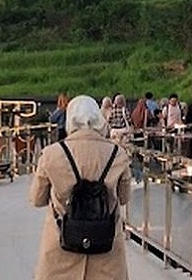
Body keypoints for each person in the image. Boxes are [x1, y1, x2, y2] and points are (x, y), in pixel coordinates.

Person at [30, 94, 131, 279]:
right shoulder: (118, 154)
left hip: (62, 244)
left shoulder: (51, 154)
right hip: (105, 245)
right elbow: (124, 198)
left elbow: (37, 199)